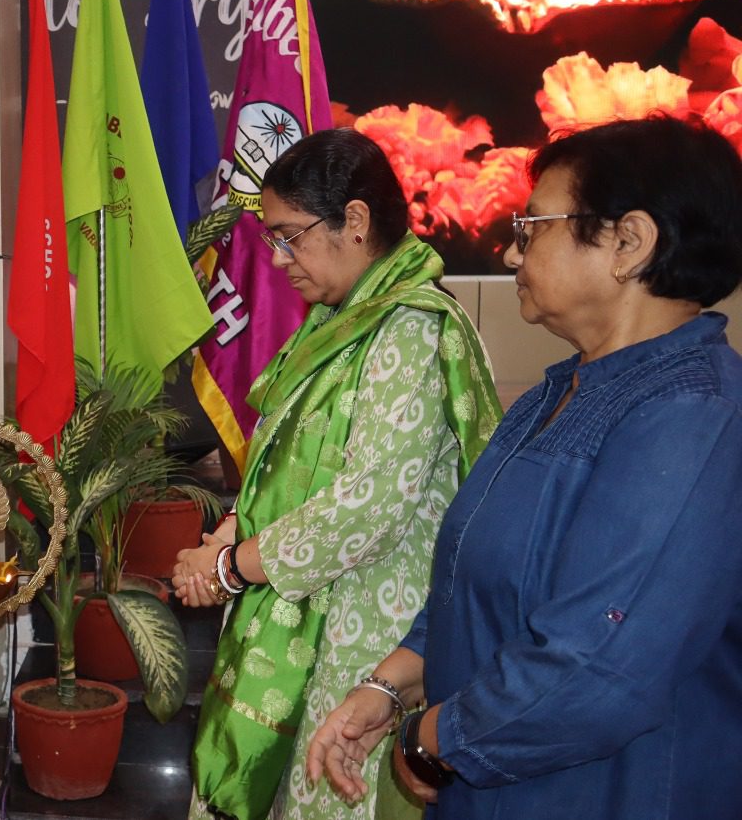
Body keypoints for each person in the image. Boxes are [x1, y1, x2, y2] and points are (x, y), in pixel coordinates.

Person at [304, 115, 742, 819]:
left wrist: (434, 737)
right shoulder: (554, 392)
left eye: (533, 227)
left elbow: (597, 670)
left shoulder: (693, 418)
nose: (512, 255)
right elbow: (475, 584)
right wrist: (388, 689)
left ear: (629, 242)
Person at [173, 128, 502, 820]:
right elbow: (284, 464)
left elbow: (369, 504)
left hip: (367, 628)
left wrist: (232, 567)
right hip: (312, 603)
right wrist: (225, 537)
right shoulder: (340, 321)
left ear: (354, 221)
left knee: (331, 795)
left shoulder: (410, 327)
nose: (277, 258)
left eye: (289, 235)